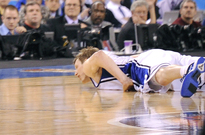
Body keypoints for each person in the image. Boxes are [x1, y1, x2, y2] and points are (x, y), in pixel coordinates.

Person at [73, 46, 205, 97]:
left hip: (138, 67)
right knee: (200, 77)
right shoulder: (110, 62)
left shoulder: (89, 67)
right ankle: (192, 69)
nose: (75, 73)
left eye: (76, 66)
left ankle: (188, 70)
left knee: (157, 78)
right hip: (153, 56)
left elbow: (98, 55)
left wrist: (123, 80)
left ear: (85, 59)